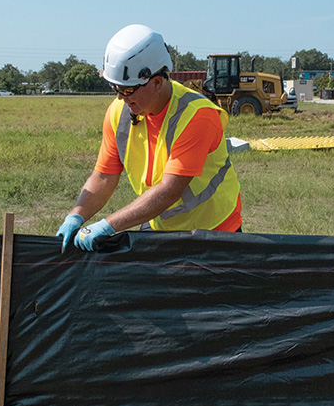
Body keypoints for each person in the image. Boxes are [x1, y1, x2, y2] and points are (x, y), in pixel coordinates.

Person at [56, 24, 242, 252]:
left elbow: (169, 191)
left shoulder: (197, 115)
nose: (120, 97)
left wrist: (107, 226)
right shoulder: (118, 113)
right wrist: (77, 215)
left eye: (127, 90)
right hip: (159, 227)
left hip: (214, 233)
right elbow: (104, 176)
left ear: (156, 82)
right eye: (116, 88)